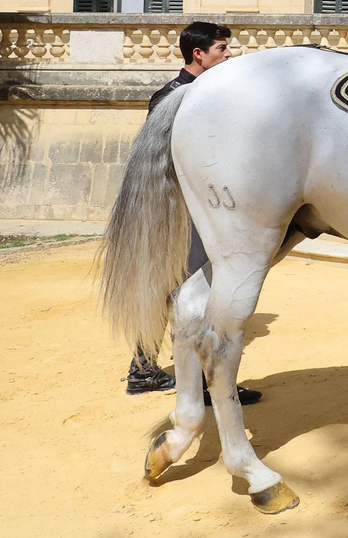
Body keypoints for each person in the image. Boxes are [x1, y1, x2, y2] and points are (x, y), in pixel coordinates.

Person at [125, 22, 261, 406]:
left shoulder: (205, 93)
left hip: (197, 207)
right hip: (179, 210)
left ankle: (179, 377)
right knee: (182, 291)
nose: (229, 54)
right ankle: (149, 372)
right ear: (198, 54)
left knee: (189, 291)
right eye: (221, 48)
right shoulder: (173, 96)